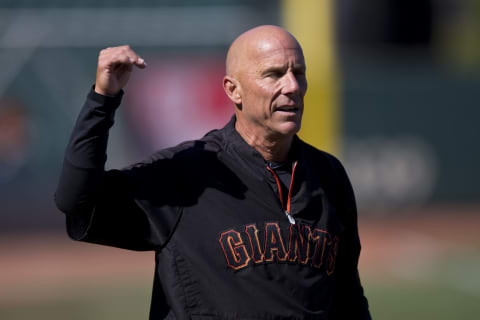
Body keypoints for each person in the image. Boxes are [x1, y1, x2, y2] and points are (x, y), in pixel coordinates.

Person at [55, 25, 371, 319]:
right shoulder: (187, 172)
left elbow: (348, 297)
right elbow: (77, 201)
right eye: (273, 74)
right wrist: (102, 100)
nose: (291, 86)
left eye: (298, 72)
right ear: (234, 90)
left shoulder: (328, 176)